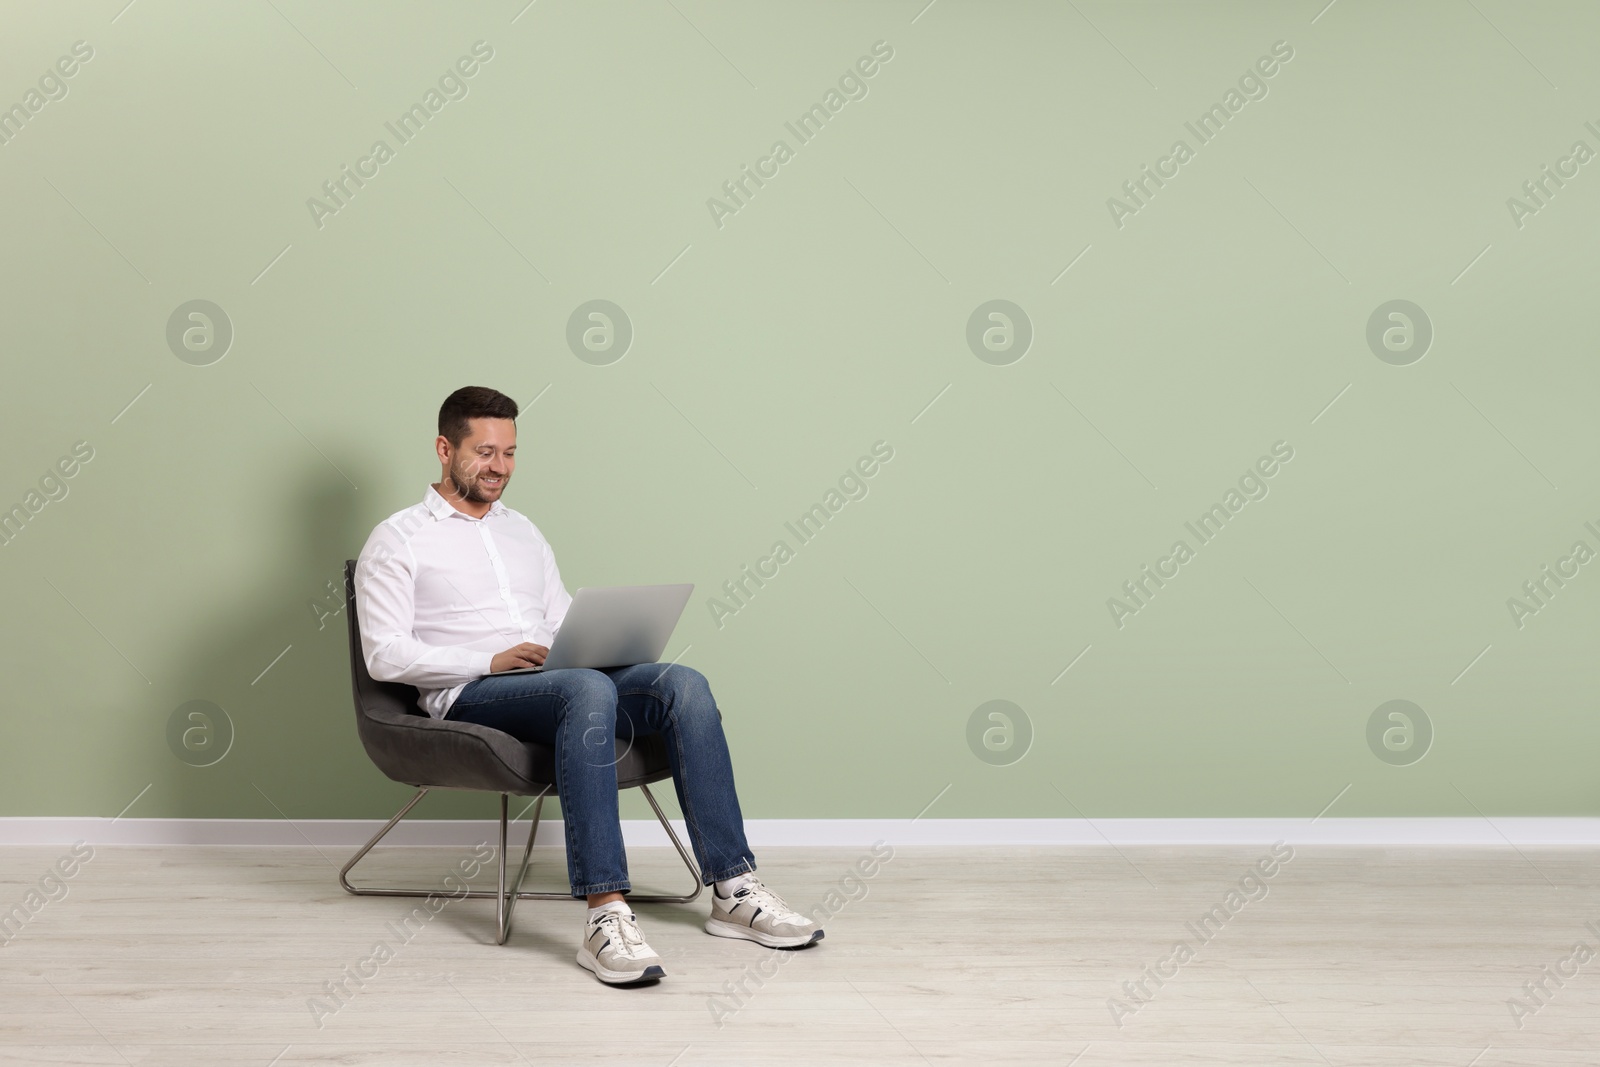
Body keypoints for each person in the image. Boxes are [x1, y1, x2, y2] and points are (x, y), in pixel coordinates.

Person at [354, 386, 821, 985]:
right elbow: (384, 656)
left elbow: (556, 618)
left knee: (683, 684)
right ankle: (605, 915)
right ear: (445, 449)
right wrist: (491, 660)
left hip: (556, 679)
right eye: (485, 452)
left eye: (511, 453)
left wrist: (591, 644)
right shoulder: (397, 538)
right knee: (586, 692)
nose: (499, 467)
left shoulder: (523, 532)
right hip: (471, 694)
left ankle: (734, 888)